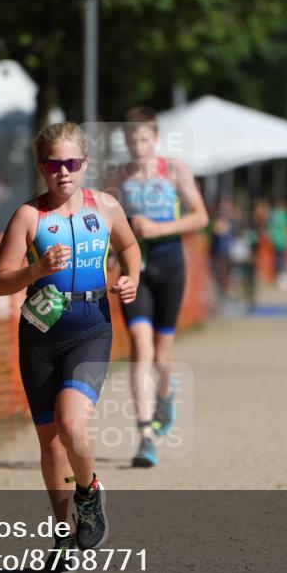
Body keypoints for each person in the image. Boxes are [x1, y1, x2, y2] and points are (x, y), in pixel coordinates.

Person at [0, 122, 141, 573]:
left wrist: (132, 275)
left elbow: (130, 246)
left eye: (72, 163)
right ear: (41, 167)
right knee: (51, 444)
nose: (64, 173)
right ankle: (63, 535)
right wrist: (34, 273)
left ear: (85, 165)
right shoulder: (27, 217)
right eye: (54, 165)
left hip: (91, 327)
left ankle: (89, 495)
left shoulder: (107, 206)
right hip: (39, 334)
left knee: (72, 424)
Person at [104, 106, 209, 468]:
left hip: (169, 262)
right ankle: (146, 435)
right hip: (134, 269)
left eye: (144, 138)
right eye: (132, 139)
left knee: (162, 357)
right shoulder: (116, 176)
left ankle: (167, 393)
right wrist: (113, 251)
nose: (138, 145)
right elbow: (103, 222)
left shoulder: (175, 170)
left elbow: (201, 216)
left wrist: (159, 228)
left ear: (156, 139)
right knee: (140, 350)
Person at [267, 197, 287, 290]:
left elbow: (270, 228)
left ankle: (280, 276)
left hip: (279, 240)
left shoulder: (273, 214)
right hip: (281, 240)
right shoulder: (281, 214)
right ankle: (281, 276)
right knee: (280, 259)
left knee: (280, 258)